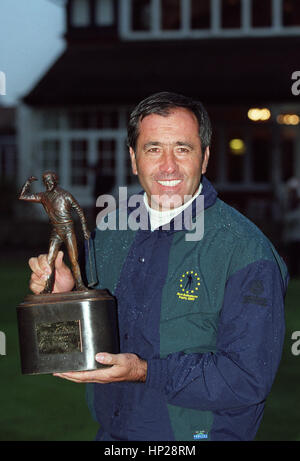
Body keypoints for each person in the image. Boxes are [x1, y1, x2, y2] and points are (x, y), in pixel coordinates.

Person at [28, 92, 288, 441]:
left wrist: (144, 371)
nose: (168, 165)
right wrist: (62, 293)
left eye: (182, 148)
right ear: (134, 159)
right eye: (153, 149)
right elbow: (92, 324)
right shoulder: (111, 230)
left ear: (205, 157)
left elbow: (246, 378)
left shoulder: (245, 251)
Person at [20, 171, 90, 293]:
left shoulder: (65, 195)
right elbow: (22, 196)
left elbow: (79, 211)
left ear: (55, 181)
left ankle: (80, 285)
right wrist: (27, 183)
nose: (48, 183)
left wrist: (84, 229)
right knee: (50, 260)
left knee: (74, 259)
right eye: (45, 182)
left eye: (50, 180)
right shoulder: (43, 196)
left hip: (68, 229)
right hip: (56, 231)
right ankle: (48, 287)